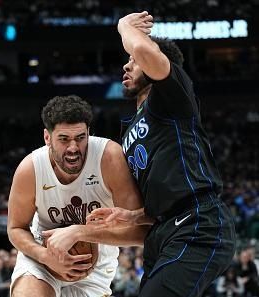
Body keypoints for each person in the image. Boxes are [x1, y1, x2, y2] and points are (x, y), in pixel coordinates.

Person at [86, 11, 237, 297]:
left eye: (133, 61)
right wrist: (132, 217)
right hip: (163, 232)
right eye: (128, 60)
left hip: (198, 222)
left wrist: (123, 26)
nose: (126, 66)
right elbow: (161, 195)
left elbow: (143, 49)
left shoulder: (172, 96)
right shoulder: (130, 127)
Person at [7, 95, 149, 297]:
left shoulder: (109, 158)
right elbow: (15, 228)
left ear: (89, 133)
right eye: (64, 139)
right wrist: (45, 255)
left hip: (96, 261)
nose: (73, 148)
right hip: (42, 257)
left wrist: (80, 233)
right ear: (47, 137)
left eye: (80, 138)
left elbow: (140, 232)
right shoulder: (30, 169)